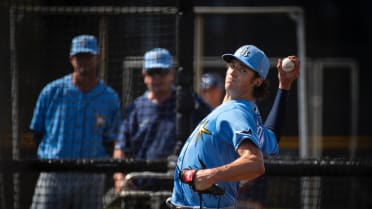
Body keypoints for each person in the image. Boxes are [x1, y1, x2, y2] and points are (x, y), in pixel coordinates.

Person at [167, 44, 300, 209]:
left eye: (243, 70)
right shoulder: (247, 112)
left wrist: (211, 175)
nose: (233, 72)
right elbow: (271, 138)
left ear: (257, 81)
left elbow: (254, 163)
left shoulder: (236, 111)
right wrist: (284, 86)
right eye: (232, 66)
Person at [29, 34, 122, 209]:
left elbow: (112, 139)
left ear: (97, 58)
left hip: (91, 175)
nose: (84, 62)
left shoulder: (109, 97)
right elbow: (37, 132)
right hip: (54, 172)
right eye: (79, 57)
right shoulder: (52, 91)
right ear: (71, 59)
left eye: (88, 56)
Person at [113, 48, 211, 192]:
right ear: (144, 75)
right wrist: (119, 177)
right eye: (152, 73)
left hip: (180, 188)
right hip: (141, 188)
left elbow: (212, 132)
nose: (157, 78)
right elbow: (120, 147)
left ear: (172, 74)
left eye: (162, 72)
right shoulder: (136, 108)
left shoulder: (189, 102)